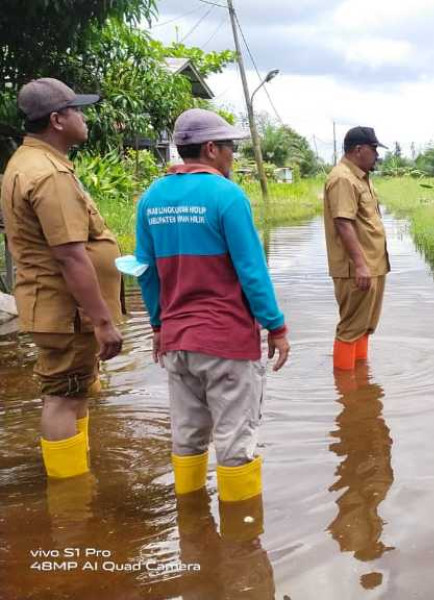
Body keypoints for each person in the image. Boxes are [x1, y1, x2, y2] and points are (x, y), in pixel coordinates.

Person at [134, 108, 290, 503]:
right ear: (210, 149)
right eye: (229, 148)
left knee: (186, 438)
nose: (232, 156)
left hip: (177, 341)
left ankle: (192, 532)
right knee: (236, 441)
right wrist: (276, 326)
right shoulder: (227, 196)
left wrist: (157, 326)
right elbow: (252, 272)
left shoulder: (151, 198)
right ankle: (240, 545)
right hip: (225, 342)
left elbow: (146, 272)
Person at [0, 78, 123, 480]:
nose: (84, 117)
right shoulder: (48, 174)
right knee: (62, 398)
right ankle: (70, 500)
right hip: (66, 312)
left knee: (73, 392)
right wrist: (103, 322)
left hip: (55, 309)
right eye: (77, 110)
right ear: (57, 119)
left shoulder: (26, 162)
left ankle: (76, 474)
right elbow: (70, 256)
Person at [323, 126, 390, 370]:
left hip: (372, 265)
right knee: (351, 327)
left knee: (365, 325)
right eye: (374, 150)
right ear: (358, 149)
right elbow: (343, 222)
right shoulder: (342, 178)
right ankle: (347, 393)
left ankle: (361, 381)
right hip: (356, 269)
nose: (376, 155)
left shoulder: (360, 177)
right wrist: (361, 265)